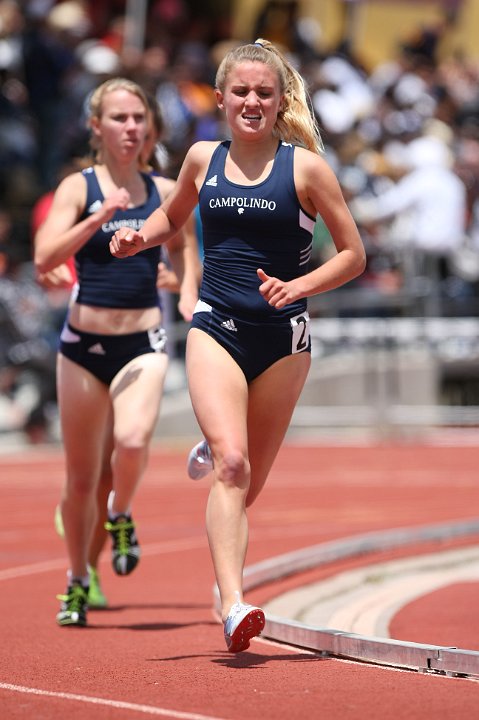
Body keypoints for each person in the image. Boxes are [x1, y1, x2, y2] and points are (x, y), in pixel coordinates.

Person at [109, 40, 366, 652]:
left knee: (246, 487)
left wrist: (297, 284)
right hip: (217, 326)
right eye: (241, 92)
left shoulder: (305, 169)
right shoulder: (202, 158)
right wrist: (133, 239)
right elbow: (171, 219)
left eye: (264, 93)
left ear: (280, 103)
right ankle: (232, 604)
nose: (251, 102)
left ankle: (217, 445)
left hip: (285, 341)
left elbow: (356, 256)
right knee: (233, 463)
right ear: (221, 98)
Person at [34, 77, 197, 627]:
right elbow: (44, 256)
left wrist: (186, 289)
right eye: (119, 118)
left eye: (138, 119)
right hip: (82, 345)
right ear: (96, 127)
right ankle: (78, 580)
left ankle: (121, 512)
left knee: (131, 440)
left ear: (150, 128)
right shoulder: (78, 188)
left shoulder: (167, 187)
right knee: (80, 479)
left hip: (142, 339)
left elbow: (185, 246)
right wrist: (101, 217)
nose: (130, 128)